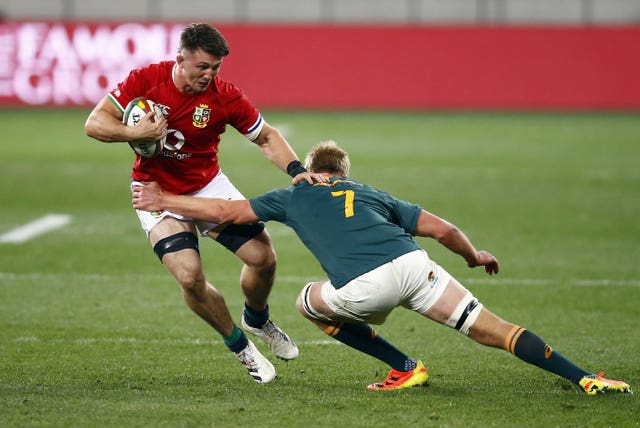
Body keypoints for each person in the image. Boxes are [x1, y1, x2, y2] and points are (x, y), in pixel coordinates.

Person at [131, 140, 632, 395]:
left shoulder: (294, 194)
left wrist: (163, 198)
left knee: (308, 301)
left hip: (364, 289)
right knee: (492, 330)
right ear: (343, 175)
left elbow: (222, 213)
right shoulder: (370, 193)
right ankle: (586, 378)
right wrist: (474, 256)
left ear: (312, 171)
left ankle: (404, 367)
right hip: (417, 267)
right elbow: (443, 228)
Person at [85, 23, 327, 384]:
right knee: (189, 275)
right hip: (153, 192)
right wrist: (135, 133)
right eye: (203, 67)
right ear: (180, 58)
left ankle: (257, 318)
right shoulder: (145, 80)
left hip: (206, 185)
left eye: (216, 68)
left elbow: (266, 136)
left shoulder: (224, 96)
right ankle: (242, 347)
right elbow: (95, 123)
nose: (210, 75)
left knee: (263, 258)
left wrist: (296, 169)